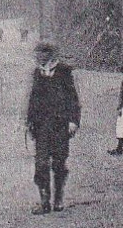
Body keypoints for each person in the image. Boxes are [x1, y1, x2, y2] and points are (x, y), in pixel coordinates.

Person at [24, 41, 81, 214]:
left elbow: (73, 99)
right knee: (40, 163)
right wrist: (29, 121)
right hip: (41, 126)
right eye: (38, 54)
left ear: (50, 56)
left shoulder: (64, 72)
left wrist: (73, 121)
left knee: (59, 162)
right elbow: (33, 99)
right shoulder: (38, 73)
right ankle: (44, 200)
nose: (40, 57)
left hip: (60, 125)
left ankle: (58, 198)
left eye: (43, 54)